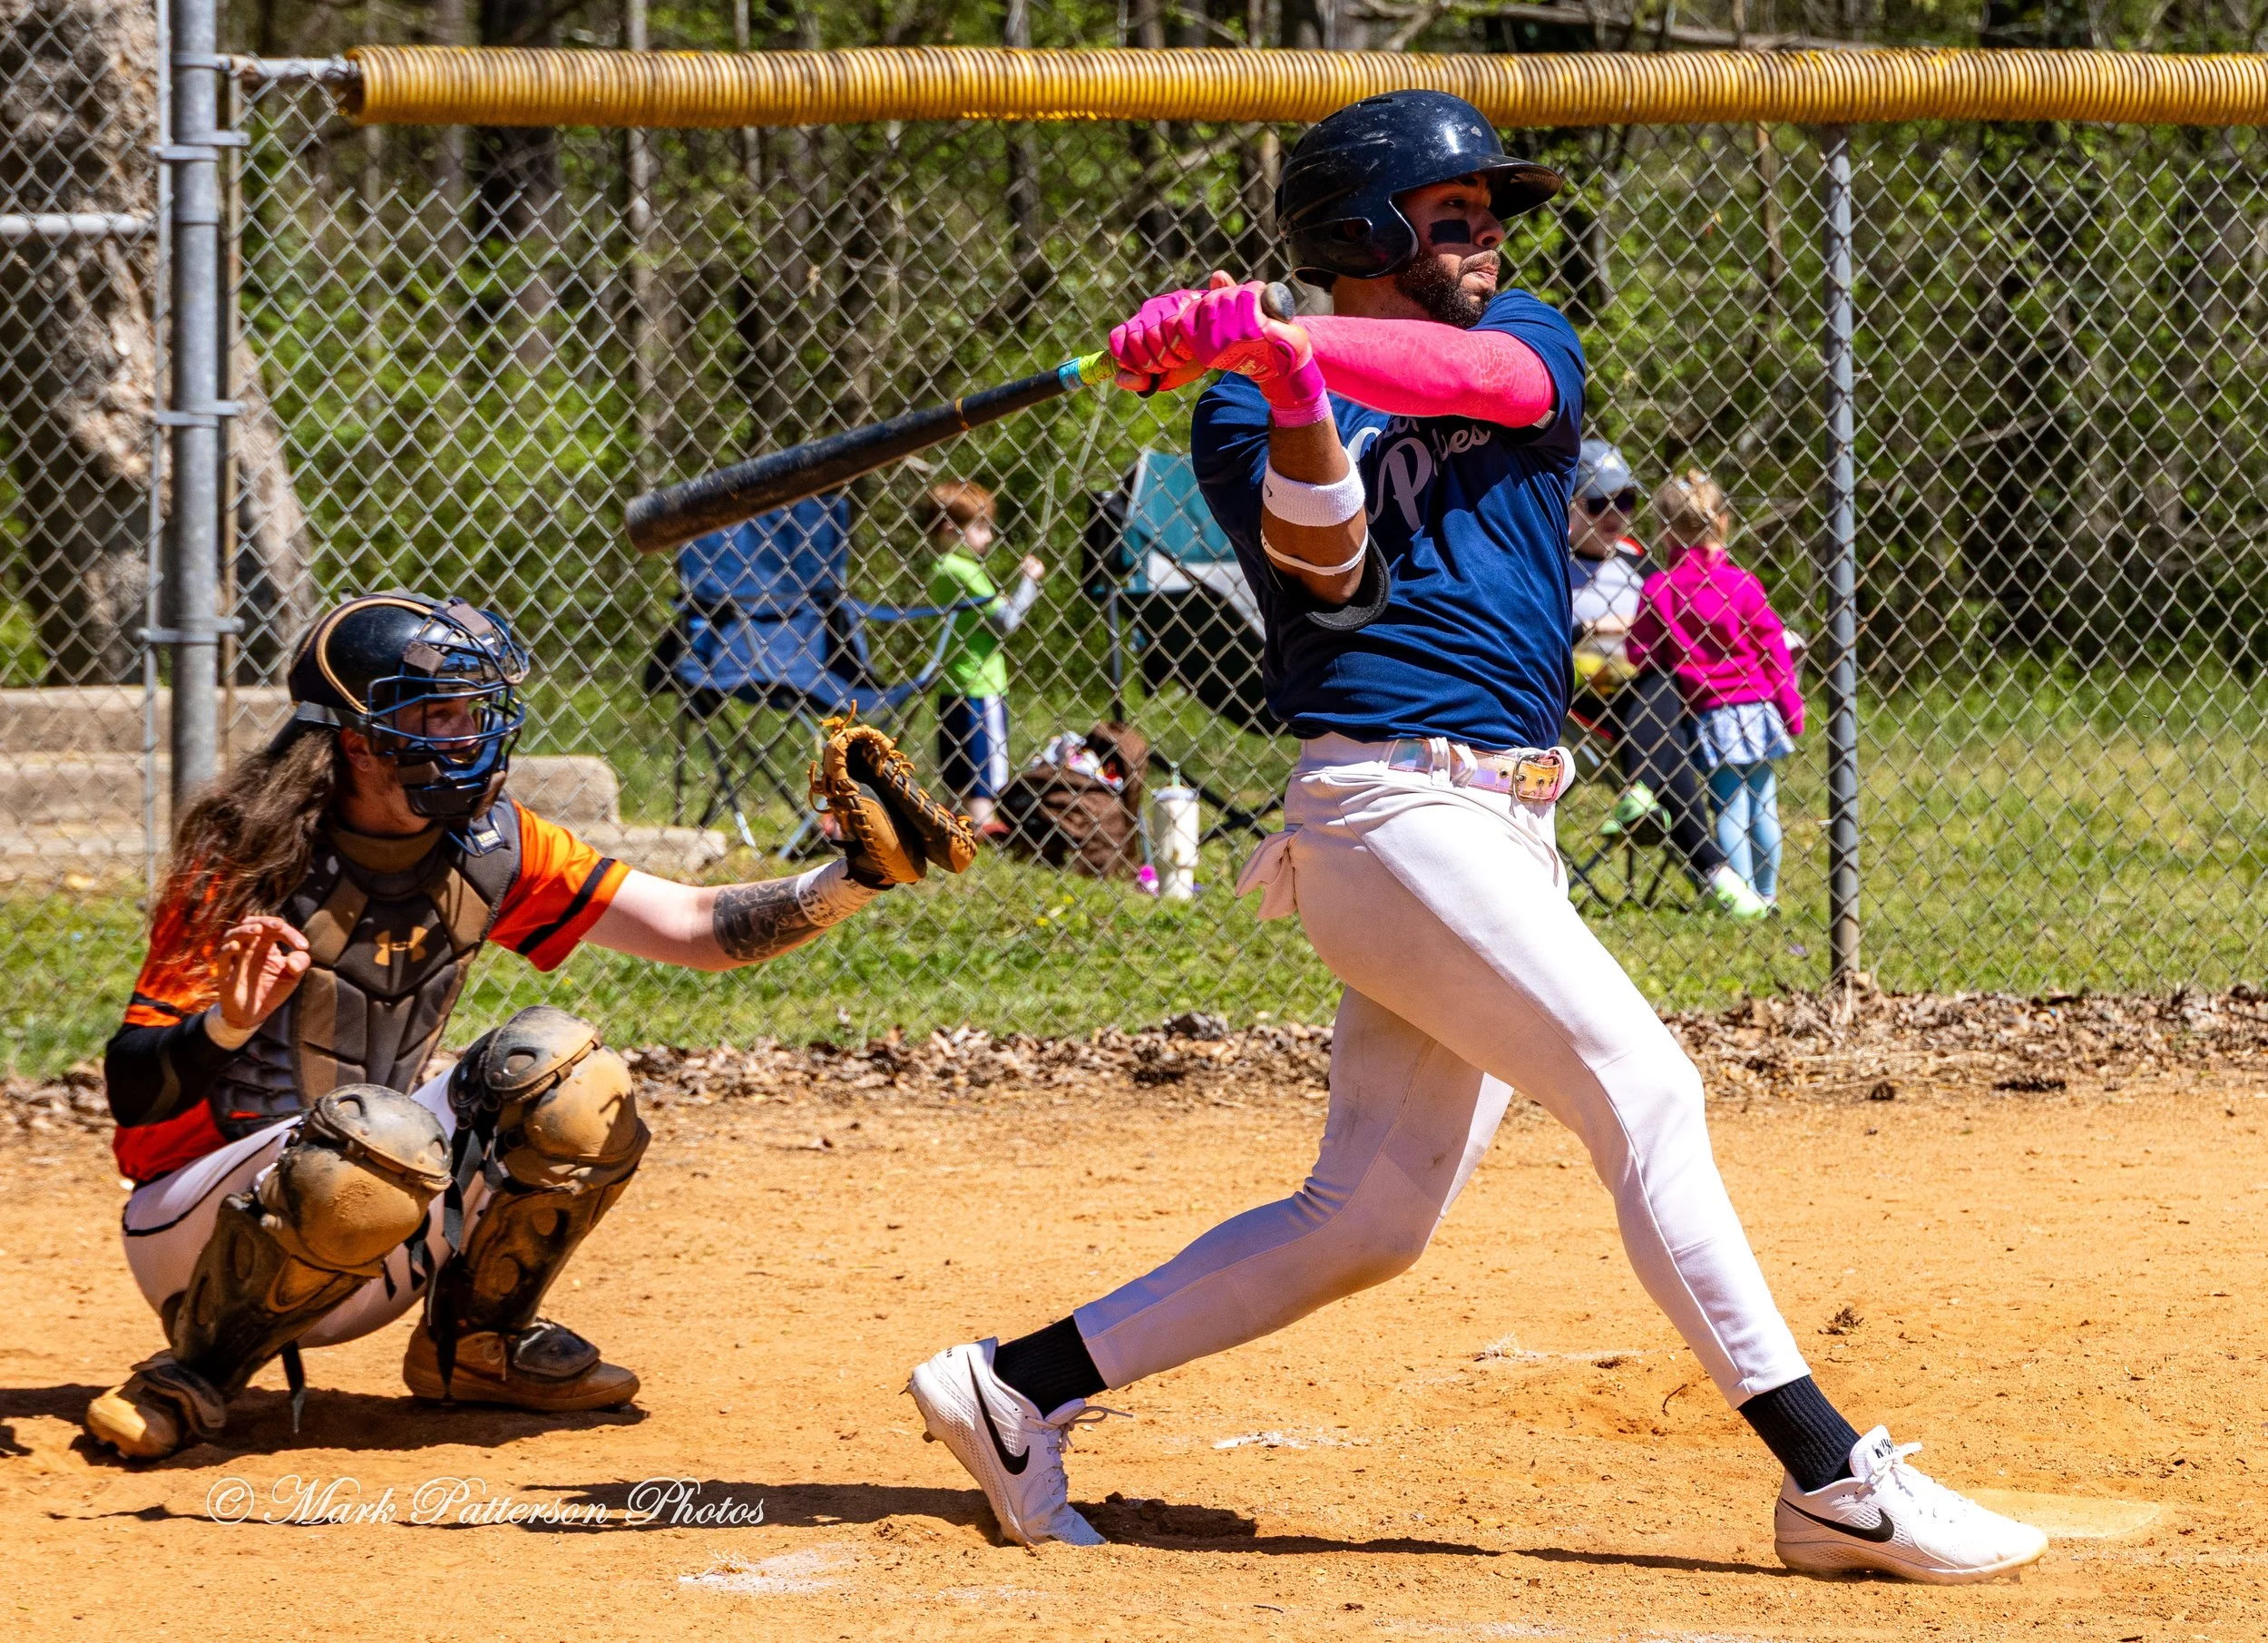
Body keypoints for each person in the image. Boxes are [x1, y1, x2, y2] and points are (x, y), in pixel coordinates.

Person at [902, 91, 2045, 1584]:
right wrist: (1280, 373)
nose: (1489, 236)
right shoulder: (1245, 405)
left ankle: (1015, 1386)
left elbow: (1484, 383)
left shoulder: (1535, 344)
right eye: (1453, 216)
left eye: (1490, 213)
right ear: (1366, 234)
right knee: (1645, 1089)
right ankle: (1832, 1478)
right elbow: (1328, 560)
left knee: (1368, 1217)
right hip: (1387, 809)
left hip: (1506, 821)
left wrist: (1277, 336)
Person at [84, 590, 953, 1461]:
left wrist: (851, 879)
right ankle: (191, 1374)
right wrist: (228, 1028)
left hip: (372, 1210)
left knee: (567, 1072)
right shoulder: (251, 850)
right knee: (380, 1130)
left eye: (475, 709)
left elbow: (693, 927)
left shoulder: (489, 842)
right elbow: (132, 1090)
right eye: (437, 713)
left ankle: (476, 1345)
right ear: (358, 739)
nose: (467, 733)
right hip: (196, 1237)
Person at [1567, 440, 1766, 919]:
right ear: (1569, 507)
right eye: (1599, 503)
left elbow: (1678, 623)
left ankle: (1643, 792)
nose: (1615, 513)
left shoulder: (1639, 562)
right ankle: (1716, 873)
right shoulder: (1550, 563)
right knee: (1665, 733)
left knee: (1662, 683)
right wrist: (1595, 628)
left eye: (1626, 501)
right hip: (1577, 703)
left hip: (1646, 696)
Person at [1627, 472, 1804, 908]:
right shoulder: (1743, 585)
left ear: (1665, 533)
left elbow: (1638, 651)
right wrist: (1791, 708)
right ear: (1722, 522)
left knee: (1728, 807)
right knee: (1764, 806)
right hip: (1758, 708)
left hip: (1713, 712)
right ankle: (1766, 893)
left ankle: (1739, 896)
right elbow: (1772, 651)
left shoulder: (1660, 589)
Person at [923, 480, 1047, 838]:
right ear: (950, 528)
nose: (989, 537)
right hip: (983, 685)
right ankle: (982, 830)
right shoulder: (965, 571)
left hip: (952, 684)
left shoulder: (941, 568)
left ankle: (954, 828)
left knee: (957, 767)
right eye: (980, 527)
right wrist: (1029, 582)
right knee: (985, 773)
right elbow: (1006, 622)